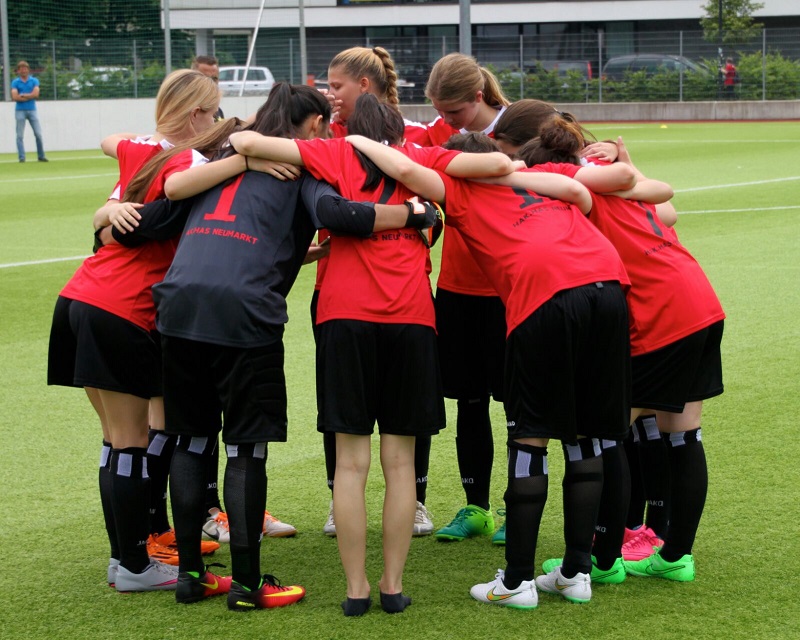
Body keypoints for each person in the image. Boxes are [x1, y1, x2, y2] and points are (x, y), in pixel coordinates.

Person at [102, 84, 439, 611]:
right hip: (246, 312)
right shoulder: (301, 169)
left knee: (190, 441)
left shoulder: (222, 158)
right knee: (244, 447)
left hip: (180, 306)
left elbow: (158, 217)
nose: (326, 134)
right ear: (308, 127)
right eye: (323, 125)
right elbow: (344, 215)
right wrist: (418, 216)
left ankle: (190, 575)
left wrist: (108, 219)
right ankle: (247, 585)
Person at [229, 93, 515, 615]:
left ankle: (356, 589)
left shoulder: (332, 153)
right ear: (397, 134)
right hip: (410, 321)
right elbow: (498, 161)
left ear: (351, 130)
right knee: (401, 464)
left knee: (352, 465)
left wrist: (258, 155)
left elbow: (243, 138)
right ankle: (392, 585)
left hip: (344, 319)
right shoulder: (421, 158)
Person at [346, 131, 632, 608]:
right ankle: (576, 572)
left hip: (545, 292)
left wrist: (358, 138)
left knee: (530, 438)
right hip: (607, 281)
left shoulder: (459, 188)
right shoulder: (542, 174)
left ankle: (517, 581)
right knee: (587, 435)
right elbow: (587, 193)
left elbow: (406, 171)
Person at [518, 117, 724, 584]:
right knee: (683, 432)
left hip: (660, 313)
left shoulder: (576, 190)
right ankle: (675, 558)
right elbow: (667, 211)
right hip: (699, 300)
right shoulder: (620, 188)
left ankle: (604, 561)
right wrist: (627, 163)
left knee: (606, 432)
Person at [48, 69, 221, 592]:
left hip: (79, 297)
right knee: (130, 441)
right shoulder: (188, 160)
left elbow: (112, 164)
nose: (215, 122)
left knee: (115, 441)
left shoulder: (138, 150)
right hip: (120, 307)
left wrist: (106, 209)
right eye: (212, 113)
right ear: (195, 115)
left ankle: (127, 558)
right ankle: (133, 566)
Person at [314, 45, 437, 536]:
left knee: (408, 412)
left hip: (404, 293)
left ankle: (417, 499)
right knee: (342, 408)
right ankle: (336, 496)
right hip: (338, 290)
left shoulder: (419, 137)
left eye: (336, 86)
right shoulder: (327, 139)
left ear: (363, 86)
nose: (330, 95)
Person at [413, 54, 513, 545]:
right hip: (457, 289)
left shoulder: (521, 126)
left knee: (519, 404)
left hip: (514, 289)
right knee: (469, 404)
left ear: (478, 98)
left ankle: (516, 504)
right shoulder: (435, 133)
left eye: (452, 113)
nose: (444, 123)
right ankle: (477, 506)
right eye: (438, 112)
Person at [11, 60, 47, 163]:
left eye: (25, 69)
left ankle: (41, 156)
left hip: (32, 110)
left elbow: (36, 94)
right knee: (19, 135)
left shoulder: (34, 80)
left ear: (28, 70)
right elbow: (14, 96)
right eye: (21, 69)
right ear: (18, 71)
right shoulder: (15, 82)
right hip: (20, 110)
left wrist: (23, 95)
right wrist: (29, 96)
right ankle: (22, 157)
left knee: (38, 134)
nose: (23, 71)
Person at [192, 55, 225, 120]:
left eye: (214, 79)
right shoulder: (184, 111)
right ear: (192, 79)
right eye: (205, 78)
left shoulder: (218, 112)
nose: (211, 83)